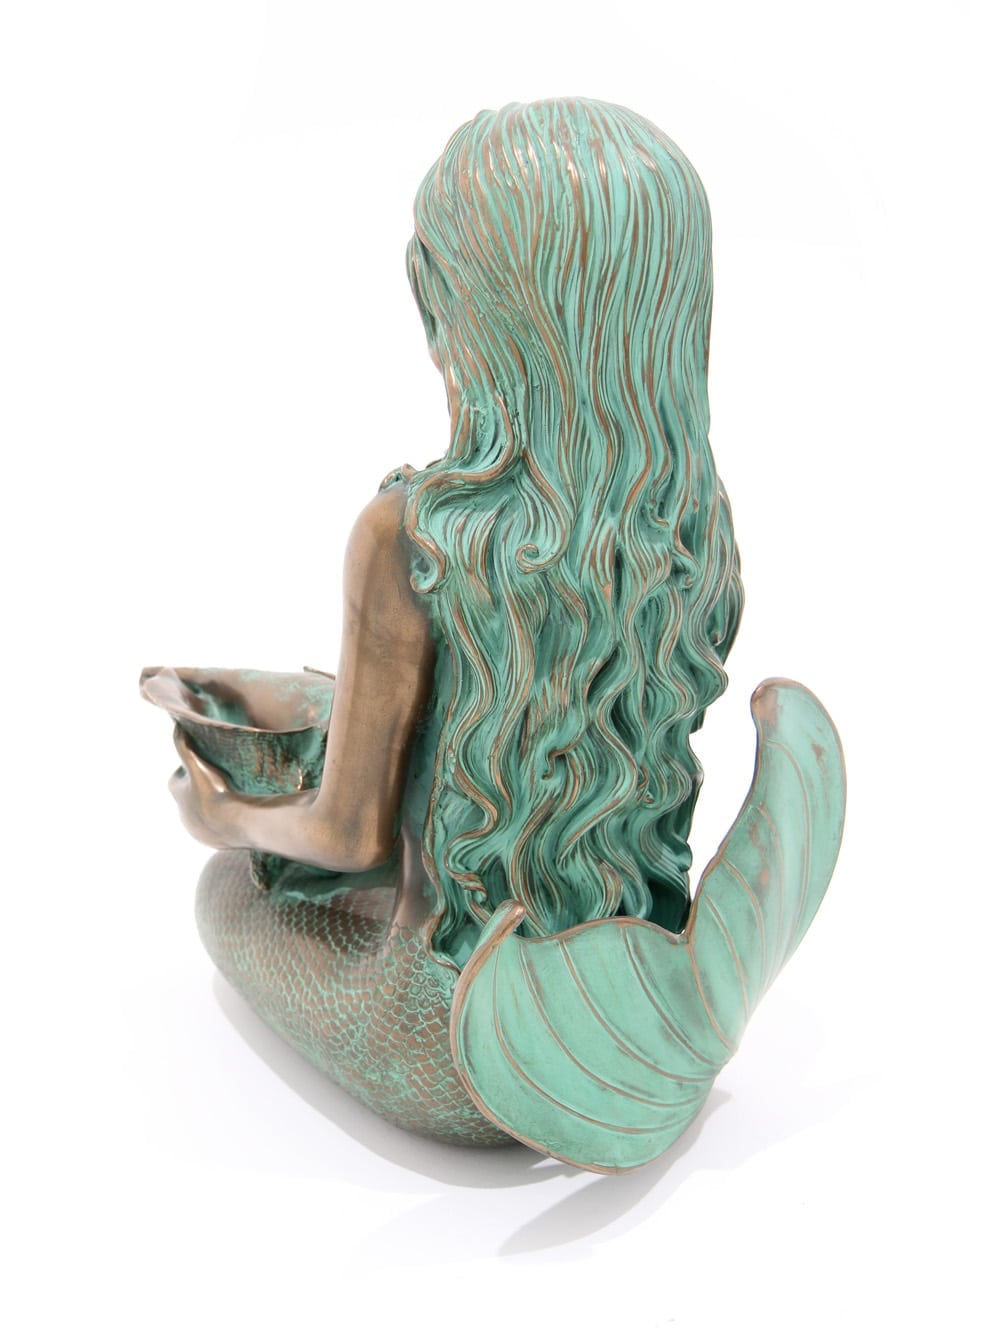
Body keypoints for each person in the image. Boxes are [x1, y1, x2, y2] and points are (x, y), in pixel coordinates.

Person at [166, 98, 746, 1146]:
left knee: (223, 893)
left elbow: (347, 836)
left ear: (456, 307)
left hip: (450, 1041)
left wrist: (225, 812)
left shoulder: (412, 534)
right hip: (629, 1015)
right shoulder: (685, 528)